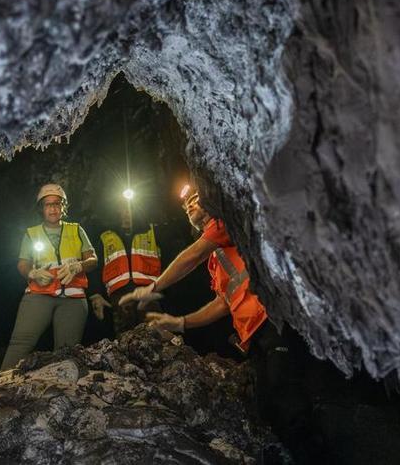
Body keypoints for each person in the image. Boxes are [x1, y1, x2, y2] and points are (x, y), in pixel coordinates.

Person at [120, 183, 309, 460]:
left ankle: (315, 452)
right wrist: (181, 322)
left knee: (286, 393)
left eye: (195, 199)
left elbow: (191, 256)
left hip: (274, 320)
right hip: (253, 336)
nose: (190, 206)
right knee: (266, 407)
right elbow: (222, 304)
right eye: (186, 207)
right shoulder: (216, 260)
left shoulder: (226, 222)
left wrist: (154, 286)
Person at [1, 183, 98, 369]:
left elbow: (92, 259)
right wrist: (32, 273)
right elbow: (22, 263)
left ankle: (62, 391)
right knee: (20, 343)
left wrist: (79, 266)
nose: (53, 208)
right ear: (41, 209)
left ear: (64, 207)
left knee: (66, 351)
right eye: (48, 204)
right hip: (39, 294)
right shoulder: (32, 233)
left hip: (73, 297)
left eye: (57, 204)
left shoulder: (76, 230)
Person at [94, 194, 163, 335]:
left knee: (155, 333)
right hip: (118, 295)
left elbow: (171, 259)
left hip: (148, 291)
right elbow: (97, 268)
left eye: (130, 208)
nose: (126, 212)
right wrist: (96, 294)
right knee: (125, 337)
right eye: (123, 208)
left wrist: (164, 290)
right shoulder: (105, 237)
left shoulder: (154, 231)